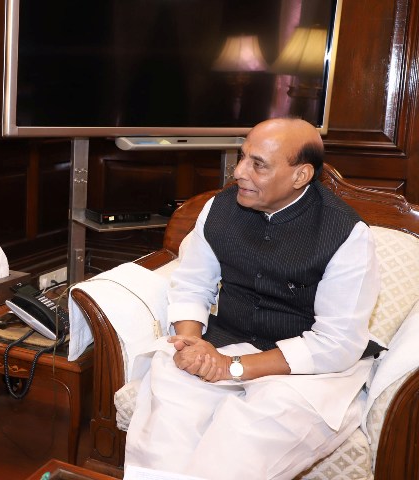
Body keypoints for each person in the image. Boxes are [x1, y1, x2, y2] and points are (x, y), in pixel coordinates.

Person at [124, 118, 382, 479]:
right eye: (242, 157)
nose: (239, 172)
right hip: (224, 341)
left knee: (252, 431)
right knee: (171, 394)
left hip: (306, 368)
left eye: (258, 164)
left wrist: (231, 367)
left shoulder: (346, 233)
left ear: (301, 175)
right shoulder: (219, 208)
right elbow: (191, 283)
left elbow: (336, 343)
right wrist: (192, 343)